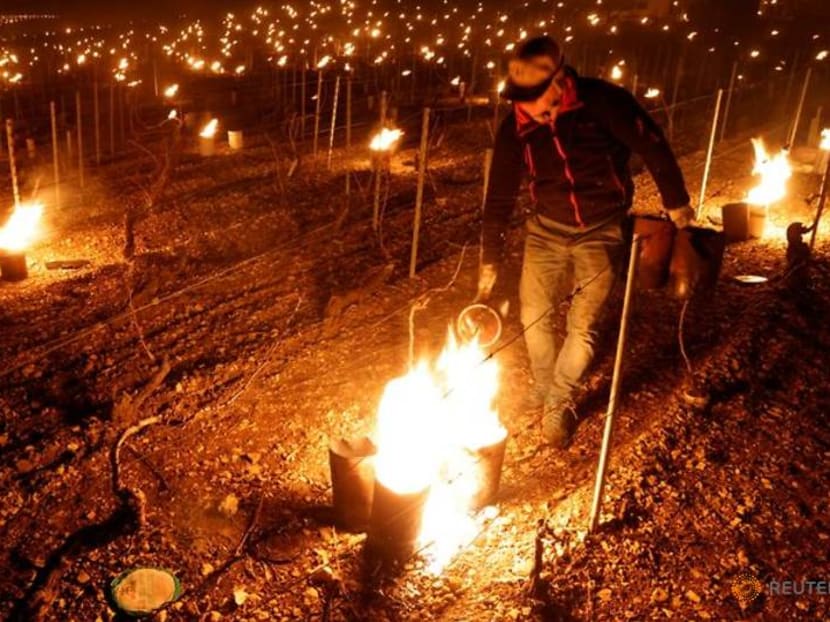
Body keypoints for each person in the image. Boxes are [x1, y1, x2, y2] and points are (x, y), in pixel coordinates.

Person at [477, 36, 694, 448]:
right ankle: (545, 386)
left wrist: (676, 201)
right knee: (534, 316)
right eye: (519, 100)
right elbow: (499, 195)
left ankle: (559, 401)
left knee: (584, 325)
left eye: (534, 98)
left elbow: (651, 143)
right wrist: (490, 258)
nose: (525, 109)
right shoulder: (515, 128)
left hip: (602, 227)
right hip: (545, 229)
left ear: (559, 81)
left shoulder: (603, 103)